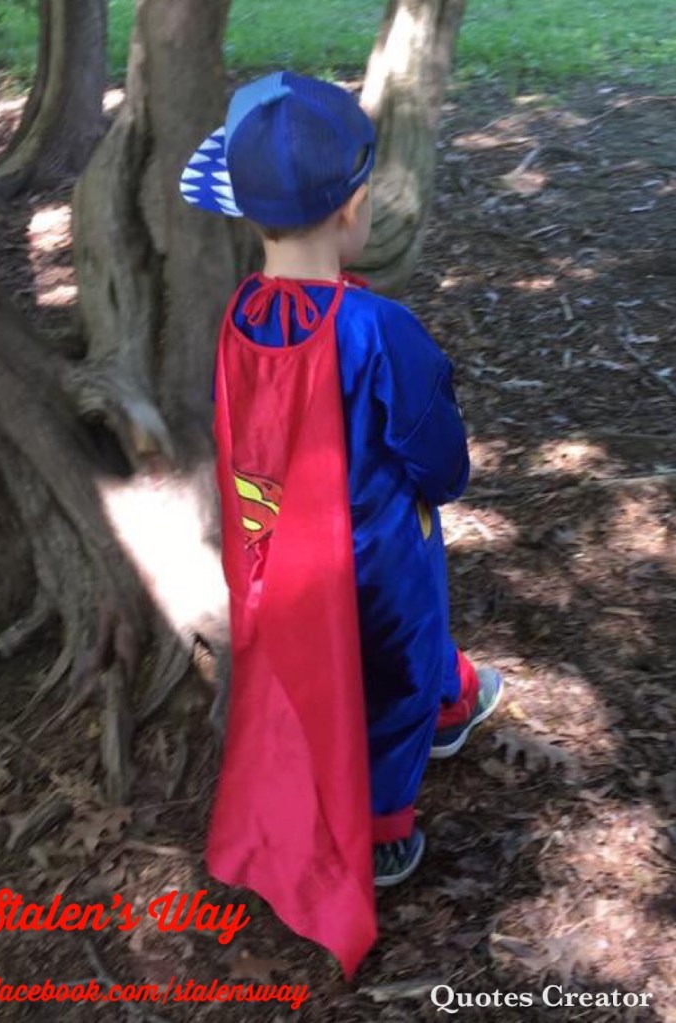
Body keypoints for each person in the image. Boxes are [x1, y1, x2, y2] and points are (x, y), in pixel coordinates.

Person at [179, 71, 502, 978]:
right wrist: (442, 483)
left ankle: (453, 696)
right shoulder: (378, 329)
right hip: (377, 556)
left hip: (278, 551)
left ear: (249, 215)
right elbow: (435, 454)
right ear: (353, 207)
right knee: (392, 672)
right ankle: (386, 829)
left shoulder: (241, 316)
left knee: (347, 664)